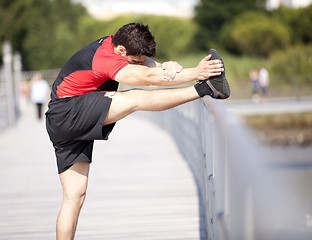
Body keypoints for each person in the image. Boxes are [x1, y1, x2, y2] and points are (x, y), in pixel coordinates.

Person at [45, 22, 230, 239]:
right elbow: (148, 79)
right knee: (134, 97)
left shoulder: (116, 42)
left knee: (74, 196)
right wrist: (197, 73)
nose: (140, 64)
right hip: (68, 112)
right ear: (122, 51)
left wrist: (166, 66)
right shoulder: (104, 57)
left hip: (63, 120)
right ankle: (206, 88)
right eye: (135, 61)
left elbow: (150, 69)